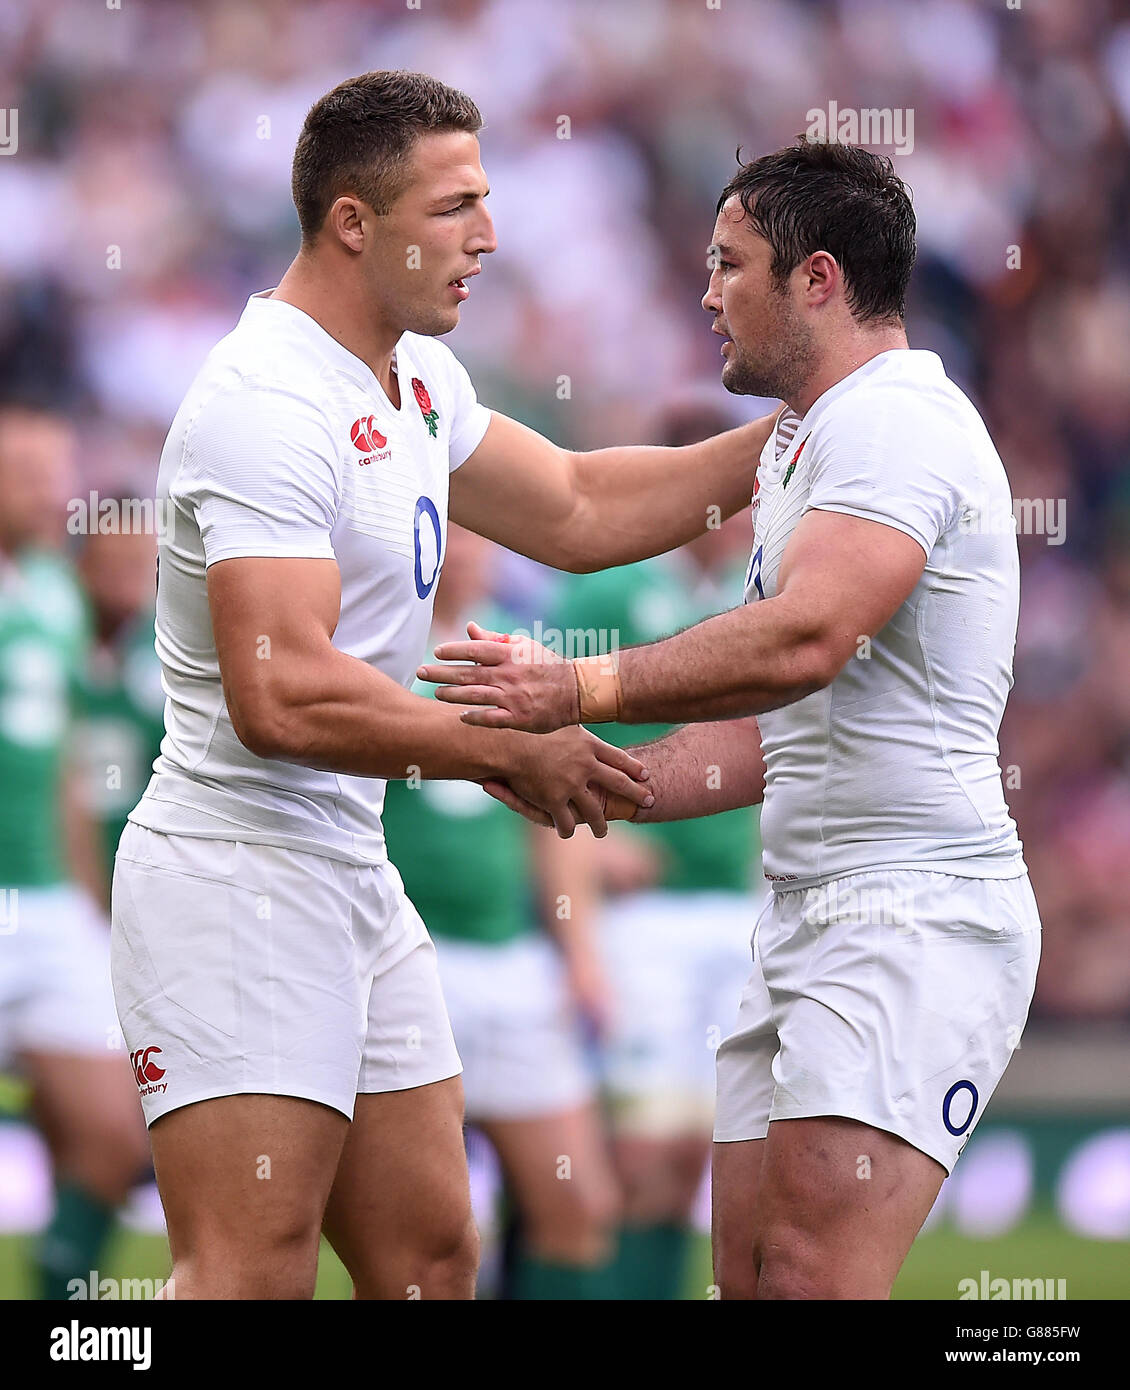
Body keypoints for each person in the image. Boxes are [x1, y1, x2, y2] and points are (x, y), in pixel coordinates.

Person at [111, 70, 773, 1300]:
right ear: (355, 222)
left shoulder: (413, 377)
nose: (489, 234)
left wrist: (794, 438)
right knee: (246, 1271)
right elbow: (281, 693)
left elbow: (576, 506)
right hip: (233, 877)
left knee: (427, 1257)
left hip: (349, 867)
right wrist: (505, 749)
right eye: (456, 204)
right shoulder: (264, 401)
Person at [420, 138, 1042, 1300]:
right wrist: (598, 775)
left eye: (727, 265)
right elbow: (776, 731)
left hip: (912, 909)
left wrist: (576, 689)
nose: (705, 294)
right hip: (809, 912)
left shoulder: (898, 421)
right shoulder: (807, 441)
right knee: (751, 1275)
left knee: (808, 1271)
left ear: (815, 279)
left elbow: (806, 636)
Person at [549, 405, 765, 1300]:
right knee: (640, 1157)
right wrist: (581, 881)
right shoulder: (608, 594)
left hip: (743, 908)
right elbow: (543, 723)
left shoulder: (764, 588)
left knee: (700, 1165)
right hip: (645, 918)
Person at [383, 523, 620, 1300]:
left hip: (507, 957)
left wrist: (580, 956)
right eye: (449, 534)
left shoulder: (522, 658)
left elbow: (559, 823)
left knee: (578, 1204)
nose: (468, 550)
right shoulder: (377, 647)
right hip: (408, 958)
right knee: (420, 1240)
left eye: (480, 535)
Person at [0, 402, 149, 1298]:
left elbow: (62, 772)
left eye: (59, 475)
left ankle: (63, 1317)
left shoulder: (55, 586)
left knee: (111, 1135)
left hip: (46, 901)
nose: (53, 494)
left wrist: (90, 905)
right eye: (28, 475)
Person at [73, 517, 165, 905]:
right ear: (85, 567)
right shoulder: (59, 644)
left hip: (151, 874)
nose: (123, 579)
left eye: (136, 564)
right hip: (69, 879)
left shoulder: (168, 656)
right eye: (112, 564)